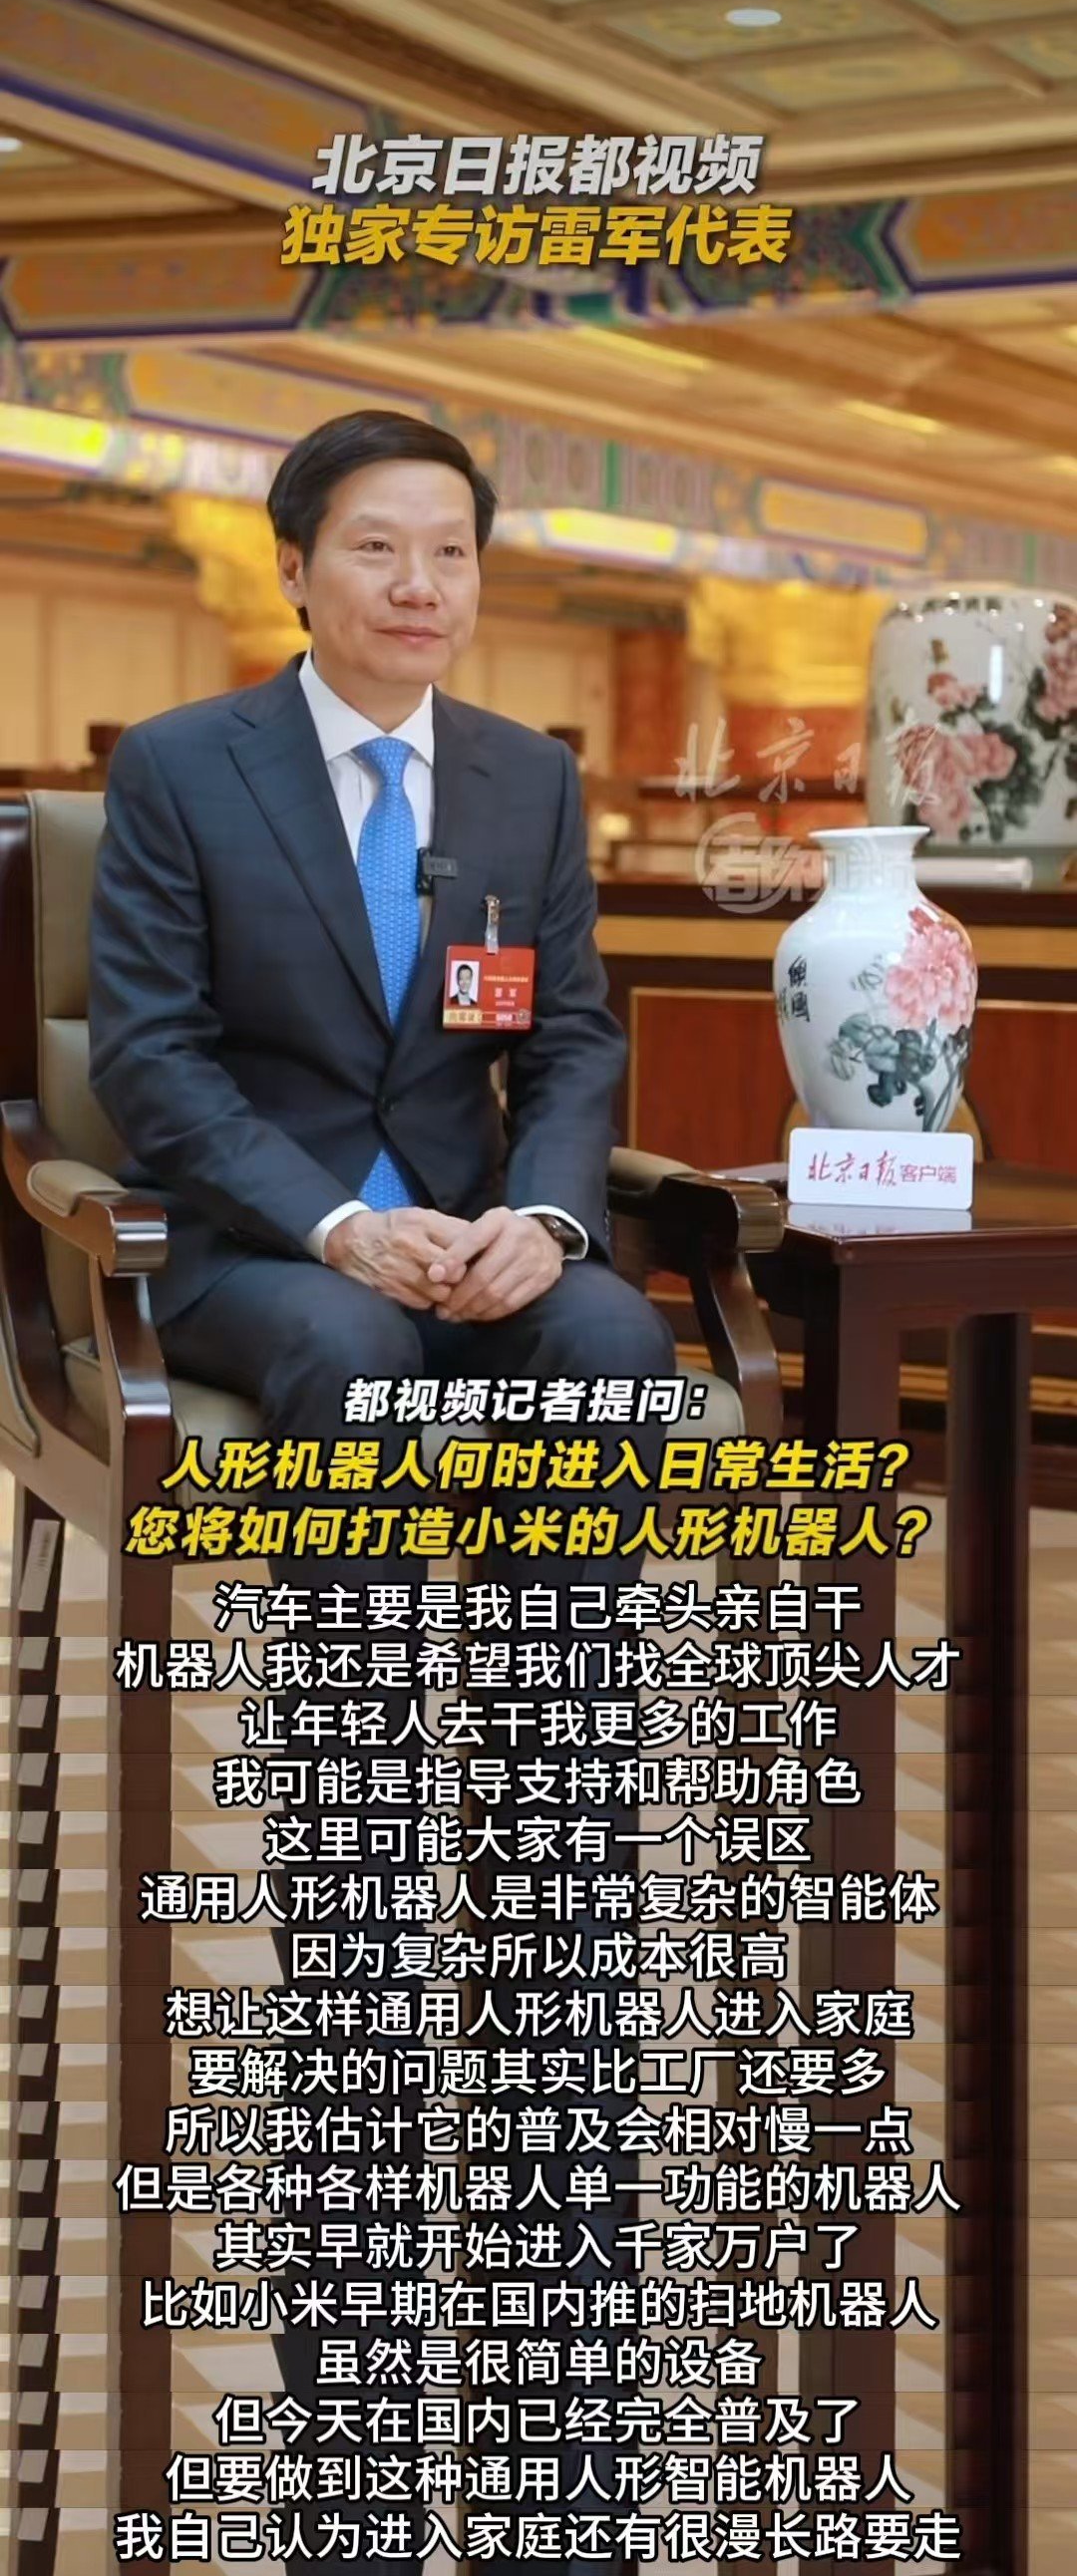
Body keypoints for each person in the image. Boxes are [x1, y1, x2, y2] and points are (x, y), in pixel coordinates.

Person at [89, 409, 674, 2572]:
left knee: (610, 1350)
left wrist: (547, 1217)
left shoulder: (526, 779)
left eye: (453, 552)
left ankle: (546, 1770)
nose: (422, 587)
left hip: (479, 1236)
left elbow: (573, 1040)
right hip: (272, 1250)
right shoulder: (185, 769)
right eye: (379, 550)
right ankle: (352, 1785)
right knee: (351, 1359)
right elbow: (150, 1061)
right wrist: (342, 1225)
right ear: (297, 568)